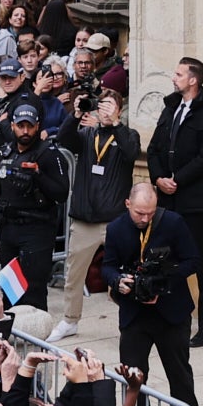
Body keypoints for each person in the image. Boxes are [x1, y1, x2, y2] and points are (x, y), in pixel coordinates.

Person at [146, 54, 203, 343]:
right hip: (166, 199)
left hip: (194, 201)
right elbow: (154, 147)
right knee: (163, 257)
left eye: (179, 74)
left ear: (193, 79)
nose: (174, 78)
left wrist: (176, 180)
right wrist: (158, 179)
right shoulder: (170, 108)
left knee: (202, 261)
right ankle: (169, 315)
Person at [101, 180, 200, 401]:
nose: (145, 219)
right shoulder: (115, 228)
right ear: (127, 204)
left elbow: (192, 261)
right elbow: (107, 266)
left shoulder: (173, 223)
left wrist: (163, 279)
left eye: (150, 213)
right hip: (134, 315)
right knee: (133, 376)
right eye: (140, 213)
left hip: (171, 313)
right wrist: (118, 280)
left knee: (179, 374)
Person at [63, 89, 141, 338]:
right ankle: (69, 320)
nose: (105, 110)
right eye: (102, 105)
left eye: (111, 105)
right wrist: (75, 114)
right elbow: (64, 140)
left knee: (127, 272)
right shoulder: (87, 134)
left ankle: (134, 319)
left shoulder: (128, 134)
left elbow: (131, 153)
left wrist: (116, 123)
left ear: (119, 109)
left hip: (116, 220)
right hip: (85, 219)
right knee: (74, 274)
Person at [0, 96, 72, 312]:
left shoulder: (48, 154)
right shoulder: (6, 151)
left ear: (37, 127)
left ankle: (34, 337)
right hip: (9, 229)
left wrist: (37, 174)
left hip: (37, 229)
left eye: (30, 126)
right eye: (21, 126)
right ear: (13, 126)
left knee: (33, 288)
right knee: (9, 286)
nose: (25, 131)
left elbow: (61, 193)